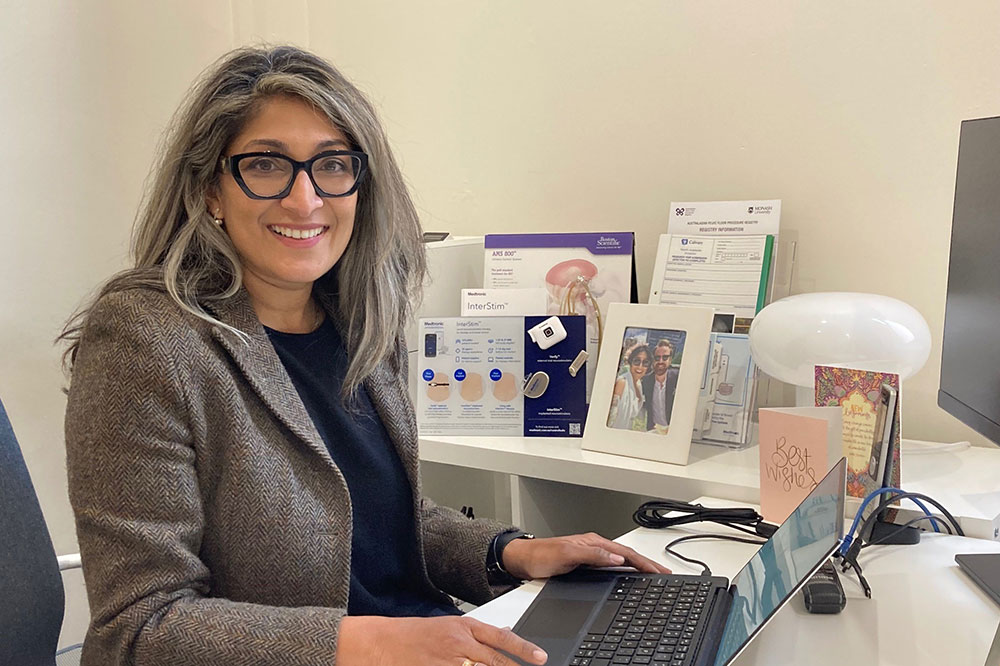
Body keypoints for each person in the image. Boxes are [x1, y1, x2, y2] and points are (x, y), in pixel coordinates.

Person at [60, 46, 668, 666]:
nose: (304, 200)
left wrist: (510, 552)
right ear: (210, 189)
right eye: (266, 165)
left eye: (332, 165)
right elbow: (142, 627)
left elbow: (376, 522)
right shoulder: (145, 339)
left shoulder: (358, 323)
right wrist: (372, 639)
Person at [607, 344, 650, 431]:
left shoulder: (638, 384)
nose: (640, 367)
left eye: (645, 363)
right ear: (630, 362)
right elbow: (611, 417)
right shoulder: (622, 383)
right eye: (637, 361)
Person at [643, 339, 680, 431]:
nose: (660, 361)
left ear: (670, 360)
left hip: (674, 431)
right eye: (657, 357)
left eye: (665, 358)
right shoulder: (646, 381)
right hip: (654, 431)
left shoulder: (678, 377)